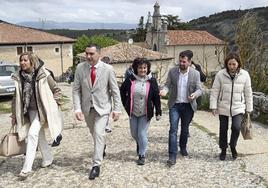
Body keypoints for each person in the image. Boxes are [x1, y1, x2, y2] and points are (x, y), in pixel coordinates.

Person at [73, 44, 121, 180]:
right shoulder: (80, 68)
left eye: (91, 54)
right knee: (94, 134)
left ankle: (96, 165)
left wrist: (117, 109)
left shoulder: (108, 69)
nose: (88, 56)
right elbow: (76, 89)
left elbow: (115, 91)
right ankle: (102, 146)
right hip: (87, 108)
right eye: (87, 53)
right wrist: (77, 108)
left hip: (103, 108)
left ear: (98, 54)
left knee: (99, 133)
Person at [11, 52, 63, 179]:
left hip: (42, 111)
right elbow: (15, 97)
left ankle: (26, 169)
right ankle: (48, 158)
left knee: (32, 134)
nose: (22, 62)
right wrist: (14, 115)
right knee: (40, 136)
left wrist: (54, 104)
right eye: (21, 60)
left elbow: (56, 90)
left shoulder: (43, 74)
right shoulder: (19, 77)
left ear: (32, 62)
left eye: (25, 60)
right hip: (28, 112)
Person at [159, 51, 202, 166]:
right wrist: (164, 91)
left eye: (184, 61)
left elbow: (199, 89)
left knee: (185, 129)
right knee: (173, 130)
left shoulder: (195, 74)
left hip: (188, 105)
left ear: (189, 62)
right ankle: (172, 155)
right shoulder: (173, 72)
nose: (182, 63)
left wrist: (194, 95)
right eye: (180, 61)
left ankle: (183, 147)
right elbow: (167, 85)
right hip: (175, 105)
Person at [210, 52, 253, 161]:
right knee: (223, 129)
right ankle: (223, 149)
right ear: (226, 64)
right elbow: (215, 91)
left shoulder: (245, 75)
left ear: (238, 64)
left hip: (238, 107)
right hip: (223, 106)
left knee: (236, 127)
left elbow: (248, 92)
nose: (232, 66)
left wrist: (249, 108)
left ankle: (233, 146)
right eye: (229, 64)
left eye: (234, 64)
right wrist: (213, 106)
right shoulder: (220, 74)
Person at [120, 58, 162, 165]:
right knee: (134, 134)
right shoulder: (130, 79)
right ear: (136, 68)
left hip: (145, 112)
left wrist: (158, 111)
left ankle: (142, 154)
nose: (142, 70)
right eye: (140, 68)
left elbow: (156, 97)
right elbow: (122, 91)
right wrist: (125, 104)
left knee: (142, 133)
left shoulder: (152, 81)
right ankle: (140, 144)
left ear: (147, 69)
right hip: (133, 112)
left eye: (144, 68)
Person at [101, 56, 112, 133]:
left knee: (107, 110)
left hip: (107, 93)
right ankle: (105, 125)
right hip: (101, 94)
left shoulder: (109, 70)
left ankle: (106, 125)